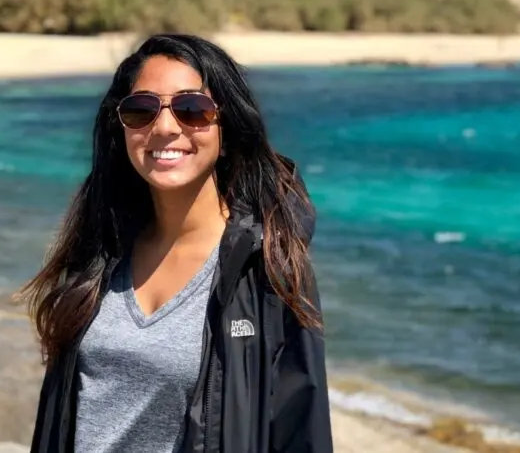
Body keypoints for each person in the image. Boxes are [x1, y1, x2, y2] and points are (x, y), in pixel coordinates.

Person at [20, 33, 332, 453]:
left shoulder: (267, 266)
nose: (165, 127)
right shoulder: (101, 251)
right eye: (141, 110)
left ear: (228, 129)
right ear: (121, 126)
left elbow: (301, 430)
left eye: (193, 110)